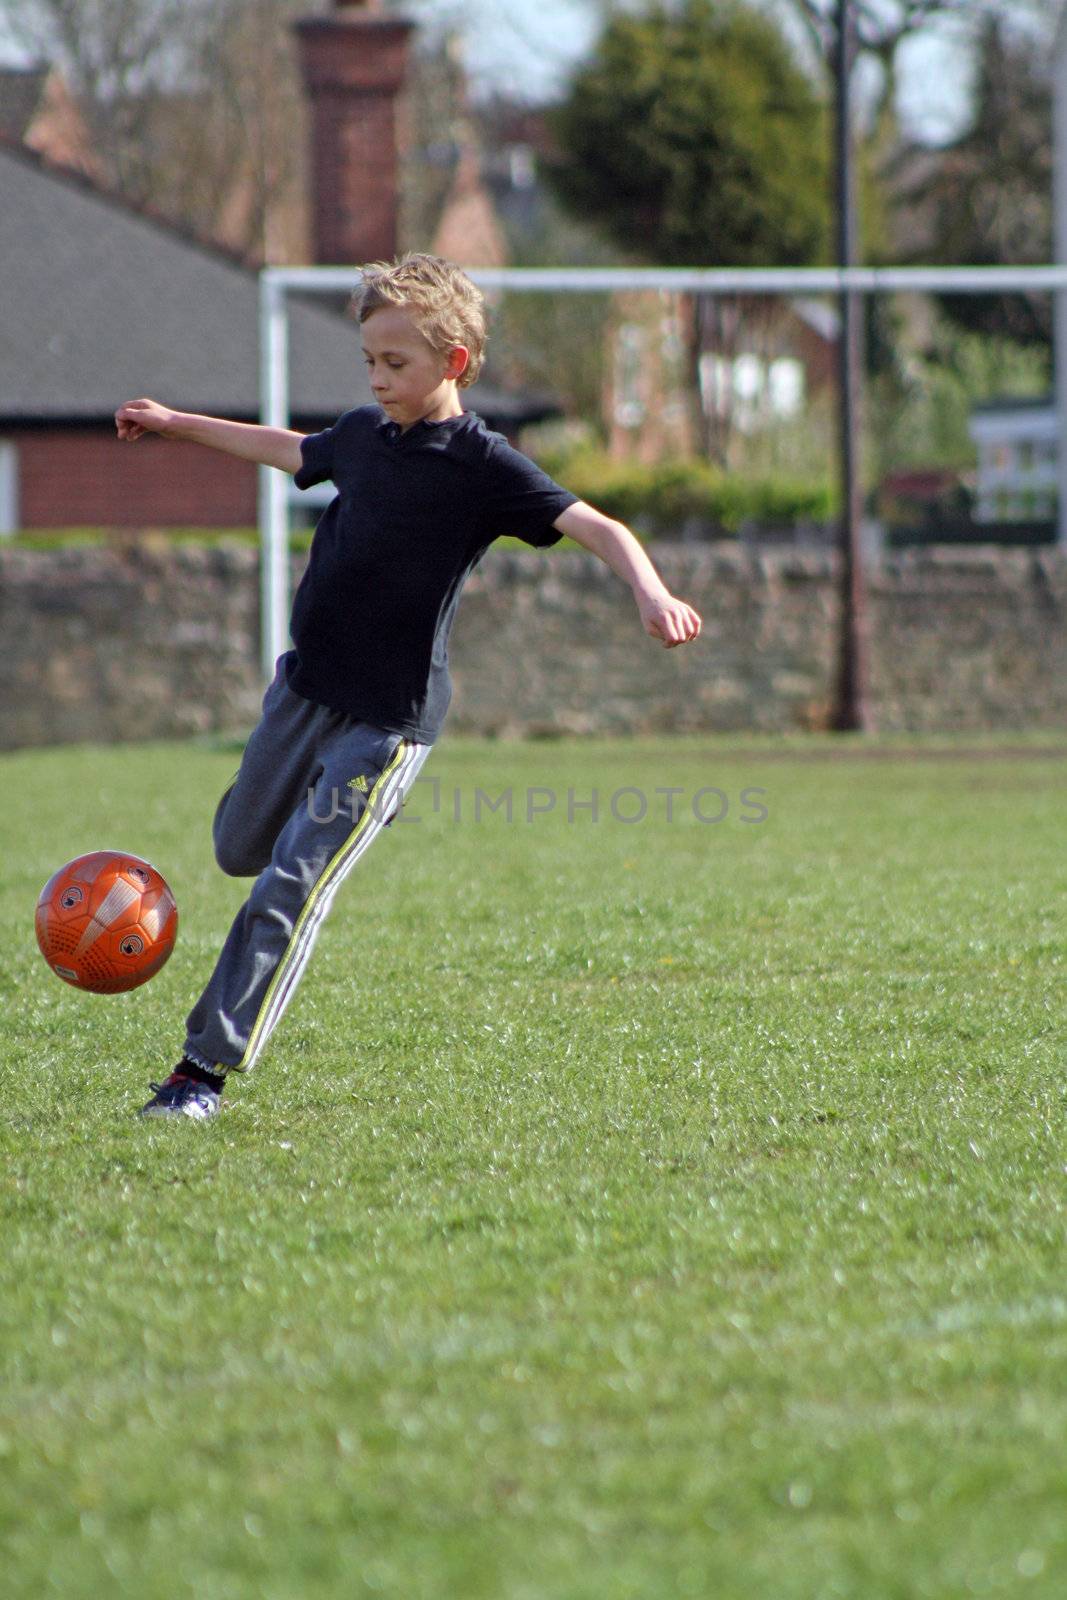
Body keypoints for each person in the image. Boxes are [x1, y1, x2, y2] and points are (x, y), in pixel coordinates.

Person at [115, 252, 702, 1120]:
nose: (379, 379)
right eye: (371, 363)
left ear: (452, 363)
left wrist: (651, 591)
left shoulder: (483, 465)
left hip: (383, 726)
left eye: (397, 364)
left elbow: (597, 524)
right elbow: (288, 449)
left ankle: (200, 1073)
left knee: (289, 884)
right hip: (303, 692)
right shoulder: (361, 436)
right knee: (238, 849)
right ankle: (207, 1028)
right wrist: (175, 422)